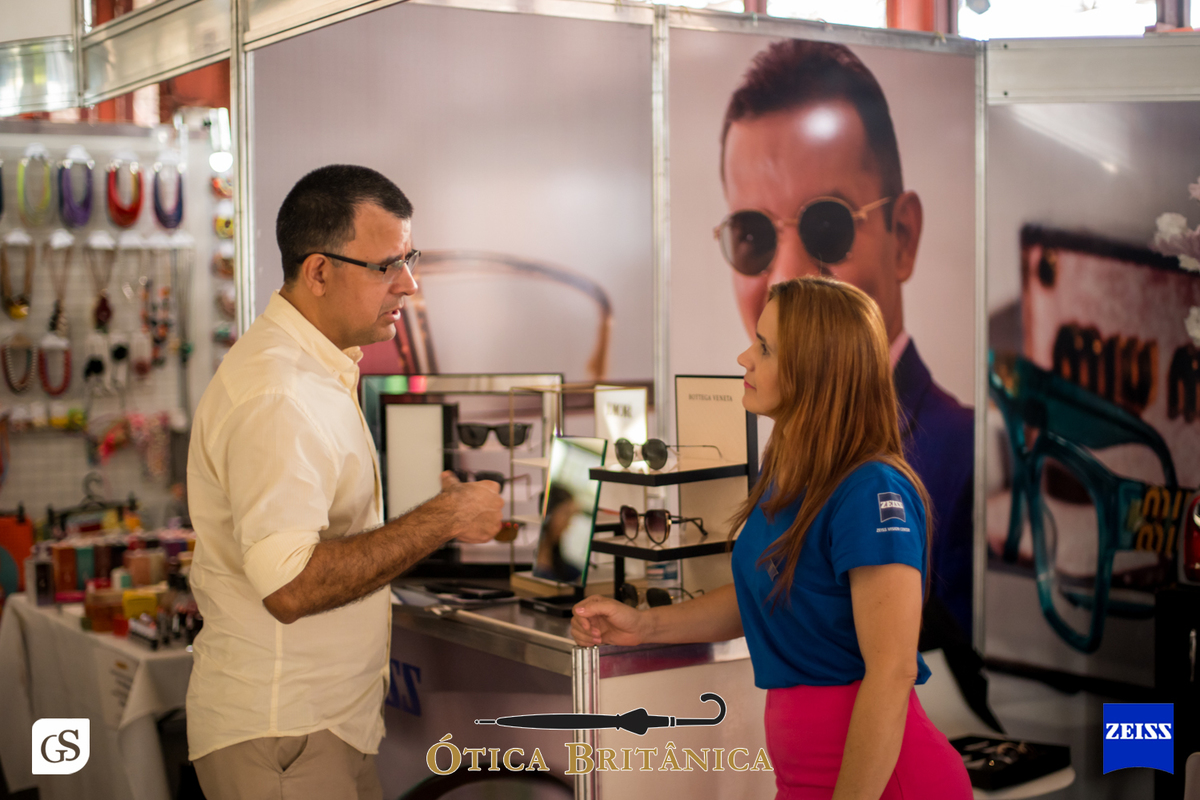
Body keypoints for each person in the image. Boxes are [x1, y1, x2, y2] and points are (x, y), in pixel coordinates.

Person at [573, 277, 973, 800]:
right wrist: (644, 626)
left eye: (764, 347)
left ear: (816, 368)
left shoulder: (871, 489)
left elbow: (893, 671)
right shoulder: (790, 476)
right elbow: (762, 596)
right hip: (805, 777)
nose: (745, 356)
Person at [185, 165, 505, 800]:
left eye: (408, 259)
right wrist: (442, 519)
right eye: (386, 265)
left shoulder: (315, 371)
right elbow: (290, 585)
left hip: (317, 728)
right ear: (319, 272)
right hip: (284, 735)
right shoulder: (282, 393)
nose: (409, 285)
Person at [715, 39, 975, 642]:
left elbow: (897, 672)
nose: (785, 276)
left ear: (903, 235)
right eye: (751, 235)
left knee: (1142, 742)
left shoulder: (961, 462)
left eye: (826, 226)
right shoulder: (781, 454)